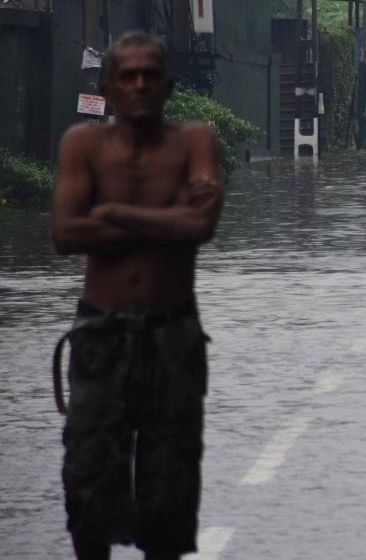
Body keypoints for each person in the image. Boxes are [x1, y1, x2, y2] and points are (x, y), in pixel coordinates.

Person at [51, 31, 223, 560]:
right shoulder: (84, 145)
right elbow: (66, 234)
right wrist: (168, 221)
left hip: (172, 336)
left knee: (170, 490)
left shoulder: (194, 140)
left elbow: (201, 227)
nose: (140, 84)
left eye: (151, 74)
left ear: (169, 86)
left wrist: (115, 213)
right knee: (89, 484)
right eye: (128, 76)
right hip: (102, 336)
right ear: (109, 88)